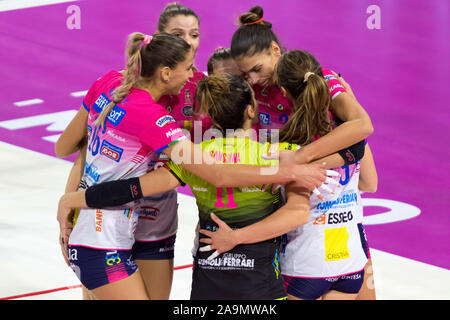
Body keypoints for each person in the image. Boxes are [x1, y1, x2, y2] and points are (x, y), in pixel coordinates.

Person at [57, 75, 347, 300]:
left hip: (209, 283)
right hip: (259, 285)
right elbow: (302, 208)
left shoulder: (195, 158)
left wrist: (75, 198)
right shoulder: (281, 154)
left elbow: (131, 188)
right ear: (252, 109)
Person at [199, 50, 375, 300]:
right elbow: (371, 182)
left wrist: (234, 237)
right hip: (349, 265)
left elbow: (293, 211)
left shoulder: (282, 148)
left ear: (283, 92)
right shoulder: (351, 140)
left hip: (306, 266)